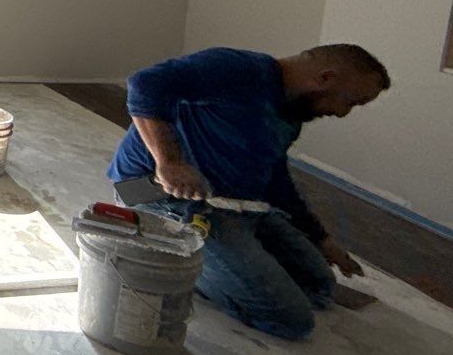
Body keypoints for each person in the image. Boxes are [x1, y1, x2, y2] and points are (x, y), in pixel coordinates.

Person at [106, 43, 388, 340]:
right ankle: (176, 262)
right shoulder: (239, 70)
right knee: (291, 320)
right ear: (326, 78)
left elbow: (275, 180)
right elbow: (145, 84)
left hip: (240, 207)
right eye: (350, 102)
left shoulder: (290, 112)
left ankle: (228, 263)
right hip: (172, 202)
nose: (342, 113)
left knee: (320, 288)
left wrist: (322, 239)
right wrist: (169, 162)